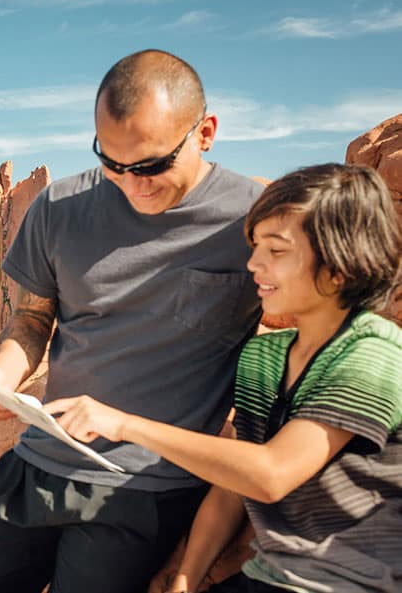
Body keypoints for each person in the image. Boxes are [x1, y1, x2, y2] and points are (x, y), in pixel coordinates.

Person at [0, 49, 264, 593]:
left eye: (153, 164)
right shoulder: (60, 207)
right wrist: (0, 375)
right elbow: (32, 321)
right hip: (35, 465)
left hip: (143, 489)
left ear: (205, 133)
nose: (132, 183)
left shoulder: (256, 219)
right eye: (112, 162)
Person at [50, 163, 402, 593]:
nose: (253, 264)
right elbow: (231, 488)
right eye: (254, 247)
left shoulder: (374, 352)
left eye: (276, 251)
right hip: (265, 578)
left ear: (339, 265)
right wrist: (185, 578)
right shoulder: (265, 356)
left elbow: (269, 474)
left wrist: (123, 424)